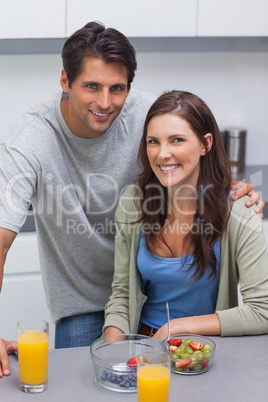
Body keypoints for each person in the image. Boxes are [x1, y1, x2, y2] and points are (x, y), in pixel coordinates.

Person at [0, 22, 264, 378]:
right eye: (91, 86)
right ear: (65, 81)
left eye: (117, 88)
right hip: (85, 295)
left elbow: (186, 145)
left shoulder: (145, 113)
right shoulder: (30, 141)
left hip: (153, 302)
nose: (105, 102)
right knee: (80, 383)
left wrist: (225, 187)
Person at [103, 90, 268, 339]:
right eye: (153, 141)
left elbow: (263, 311)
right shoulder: (133, 202)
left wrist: (175, 328)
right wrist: (112, 354)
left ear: (205, 144)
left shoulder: (238, 209)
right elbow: (122, 296)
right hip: (144, 345)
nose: (162, 153)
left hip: (204, 351)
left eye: (177, 140)